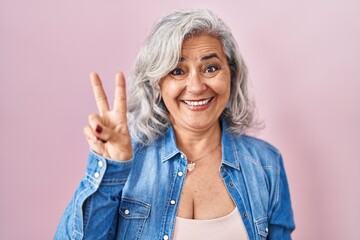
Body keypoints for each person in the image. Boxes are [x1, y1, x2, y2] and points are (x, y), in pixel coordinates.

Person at [55, 8, 295, 240]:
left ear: (231, 75)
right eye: (177, 71)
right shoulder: (126, 161)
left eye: (210, 68)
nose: (196, 86)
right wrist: (111, 169)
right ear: (157, 83)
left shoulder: (266, 164)